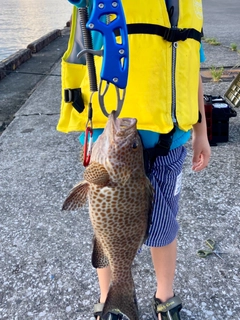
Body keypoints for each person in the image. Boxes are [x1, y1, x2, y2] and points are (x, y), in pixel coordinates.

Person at [57, 1, 211, 319]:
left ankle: (164, 296)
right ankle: (108, 298)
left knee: (165, 226)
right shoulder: (96, 4)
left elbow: (191, 68)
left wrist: (202, 132)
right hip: (111, 147)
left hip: (171, 145)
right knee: (108, 231)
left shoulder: (188, 5)